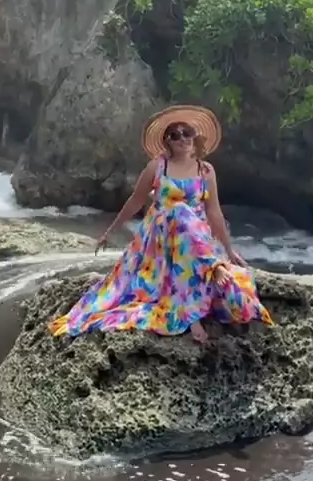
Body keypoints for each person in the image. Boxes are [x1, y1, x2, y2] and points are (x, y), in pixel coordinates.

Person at [49, 105, 273, 343]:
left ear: (195, 136)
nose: (182, 138)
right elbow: (136, 200)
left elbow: (213, 211)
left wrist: (229, 249)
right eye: (175, 135)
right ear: (167, 141)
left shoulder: (206, 171)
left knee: (233, 289)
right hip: (160, 238)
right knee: (179, 210)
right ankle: (199, 296)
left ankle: (201, 291)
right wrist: (110, 231)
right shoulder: (158, 166)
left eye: (187, 132)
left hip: (195, 240)